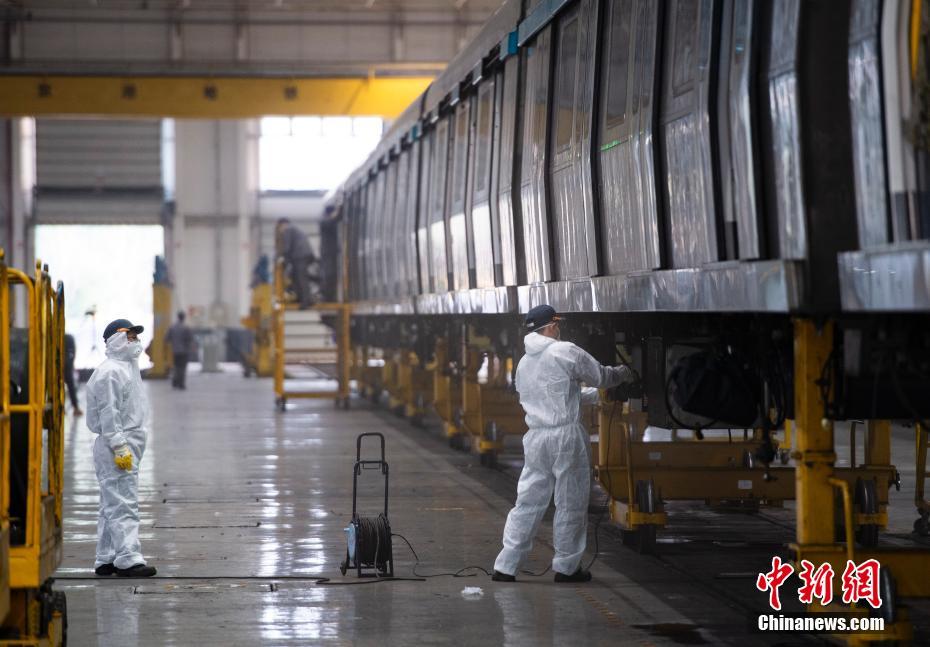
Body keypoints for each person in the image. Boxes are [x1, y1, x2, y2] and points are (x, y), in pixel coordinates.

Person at [492, 305, 638, 584]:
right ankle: (567, 567)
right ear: (550, 326)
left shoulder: (524, 363)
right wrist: (625, 373)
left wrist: (594, 396)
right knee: (570, 502)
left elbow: (554, 394)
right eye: (557, 324)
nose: (559, 329)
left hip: (536, 437)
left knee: (528, 501)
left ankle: (506, 565)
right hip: (565, 438)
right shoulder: (565, 351)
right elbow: (602, 376)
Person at [85, 319, 156, 578]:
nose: (135, 341)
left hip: (128, 443)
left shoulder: (127, 368)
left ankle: (106, 558)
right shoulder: (111, 372)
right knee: (124, 503)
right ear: (114, 340)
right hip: (118, 445)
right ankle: (128, 558)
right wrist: (119, 446)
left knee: (110, 504)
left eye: (136, 337)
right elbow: (108, 413)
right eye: (130, 336)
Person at [276, 218, 318, 309]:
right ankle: (301, 297)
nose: (280, 230)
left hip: (300, 256)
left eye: (279, 227)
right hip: (303, 255)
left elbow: (287, 246)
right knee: (295, 276)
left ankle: (306, 301)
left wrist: (283, 259)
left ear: (282, 224)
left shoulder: (288, 229)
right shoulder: (294, 229)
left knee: (301, 278)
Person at [165, 311, 193, 390]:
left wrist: (173, 342)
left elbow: (166, 338)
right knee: (182, 367)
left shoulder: (172, 327)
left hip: (175, 351)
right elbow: (190, 339)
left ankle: (175, 382)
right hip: (184, 351)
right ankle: (181, 384)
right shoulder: (186, 328)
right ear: (184, 318)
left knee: (176, 366)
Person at [64, 333, 82, 416]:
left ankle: (73, 408)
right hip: (67, 366)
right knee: (71, 388)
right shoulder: (69, 338)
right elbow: (73, 352)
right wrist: (70, 364)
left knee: (69, 387)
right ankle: (76, 408)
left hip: (61, 366)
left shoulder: (54, 337)